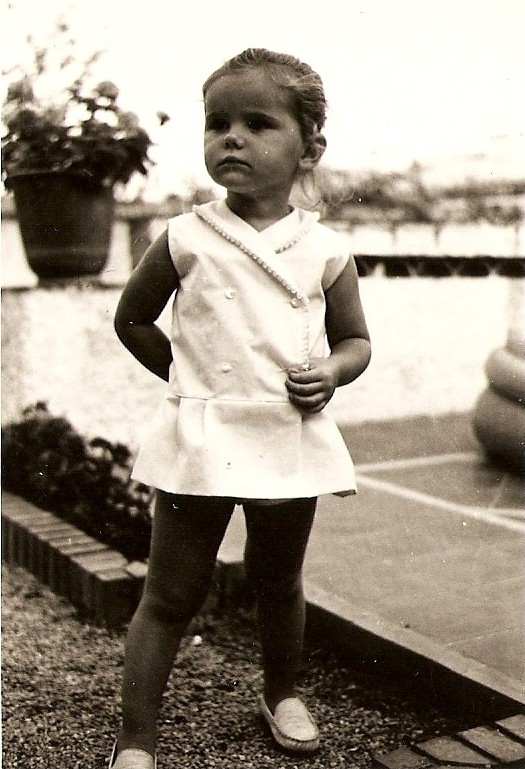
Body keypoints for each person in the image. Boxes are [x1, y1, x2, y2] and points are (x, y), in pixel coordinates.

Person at [110, 48, 371, 768]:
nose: (232, 137)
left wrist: (332, 372)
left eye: (258, 124)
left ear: (308, 148)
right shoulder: (185, 236)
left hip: (286, 432)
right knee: (170, 593)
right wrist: (188, 379)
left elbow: (355, 341)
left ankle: (281, 692)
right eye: (217, 123)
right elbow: (132, 319)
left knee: (278, 580)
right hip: (201, 436)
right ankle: (135, 741)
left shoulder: (324, 248)